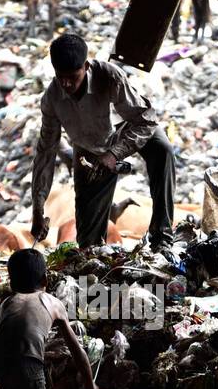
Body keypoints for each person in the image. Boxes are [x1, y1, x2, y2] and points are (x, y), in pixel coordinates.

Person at [29, 33, 175, 249]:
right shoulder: (52, 99)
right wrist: (37, 210)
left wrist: (115, 153)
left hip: (127, 127)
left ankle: (162, 236)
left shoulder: (109, 76)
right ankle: (95, 254)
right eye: (61, 77)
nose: (66, 83)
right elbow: (45, 154)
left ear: (86, 66)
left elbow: (145, 120)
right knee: (88, 243)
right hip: (91, 149)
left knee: (163, 149)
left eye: (72, 76)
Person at [0, 249, 97, 389]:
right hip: (27, 364)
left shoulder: (5, 304)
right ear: (45, 280)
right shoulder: (53, 303)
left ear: (11, 283)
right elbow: (77, 351)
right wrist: (90, 386)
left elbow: (9, 338)